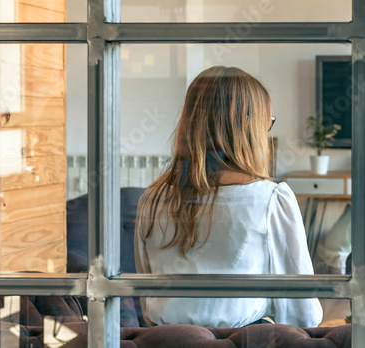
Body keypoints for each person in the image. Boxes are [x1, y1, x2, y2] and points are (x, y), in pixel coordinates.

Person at [134, 66, 322, 329]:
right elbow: (303, 314)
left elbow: (146, 298)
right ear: (247, 125)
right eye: (267, 123)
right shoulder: (271, 199)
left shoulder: (152, 199)